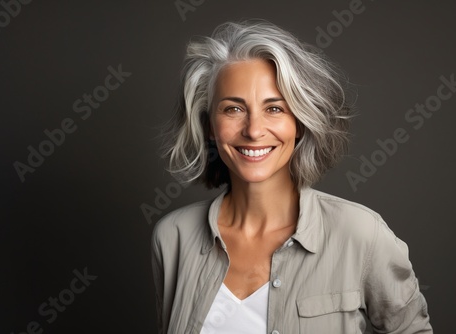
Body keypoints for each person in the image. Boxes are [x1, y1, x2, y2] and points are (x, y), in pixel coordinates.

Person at [151, 20, 432, 334]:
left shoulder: (361, 235)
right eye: (233, 109)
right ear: (208, 126)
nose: (254, 130)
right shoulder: (173, 236)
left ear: (299, 122)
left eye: (274, 109)